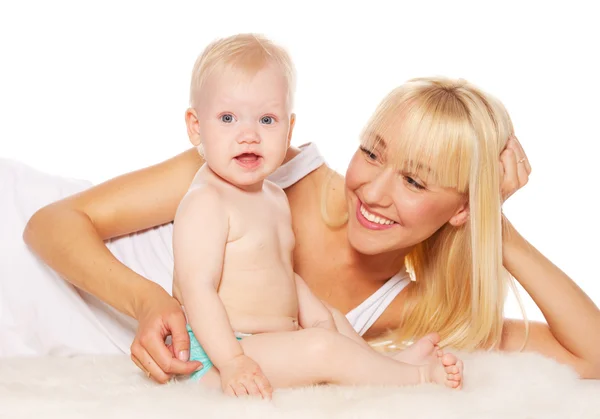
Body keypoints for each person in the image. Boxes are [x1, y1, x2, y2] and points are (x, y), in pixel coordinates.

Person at [14, 34, 600, 384]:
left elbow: (591, 355)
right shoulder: (260, 165)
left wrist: (500, 228)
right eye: (372, 153)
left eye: (416, 182)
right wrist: (150, 303)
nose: (372, 192)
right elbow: (51, 223)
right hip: (24, 253)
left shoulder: (406, 306)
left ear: (459, 211)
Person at [171, 34, 463, 398]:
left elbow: (281, 270)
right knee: (321, 349)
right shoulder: (206, 201)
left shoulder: (274, 196)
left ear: (289, 129)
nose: (249, 135)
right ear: (196, 126)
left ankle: (387, 364)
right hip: (219, 350)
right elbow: (196, 289)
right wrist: (231, 361)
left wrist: (321, 319)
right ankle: (416, 379)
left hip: (272, 340)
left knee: (332, 322)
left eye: (266, 119)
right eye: (228, 118)